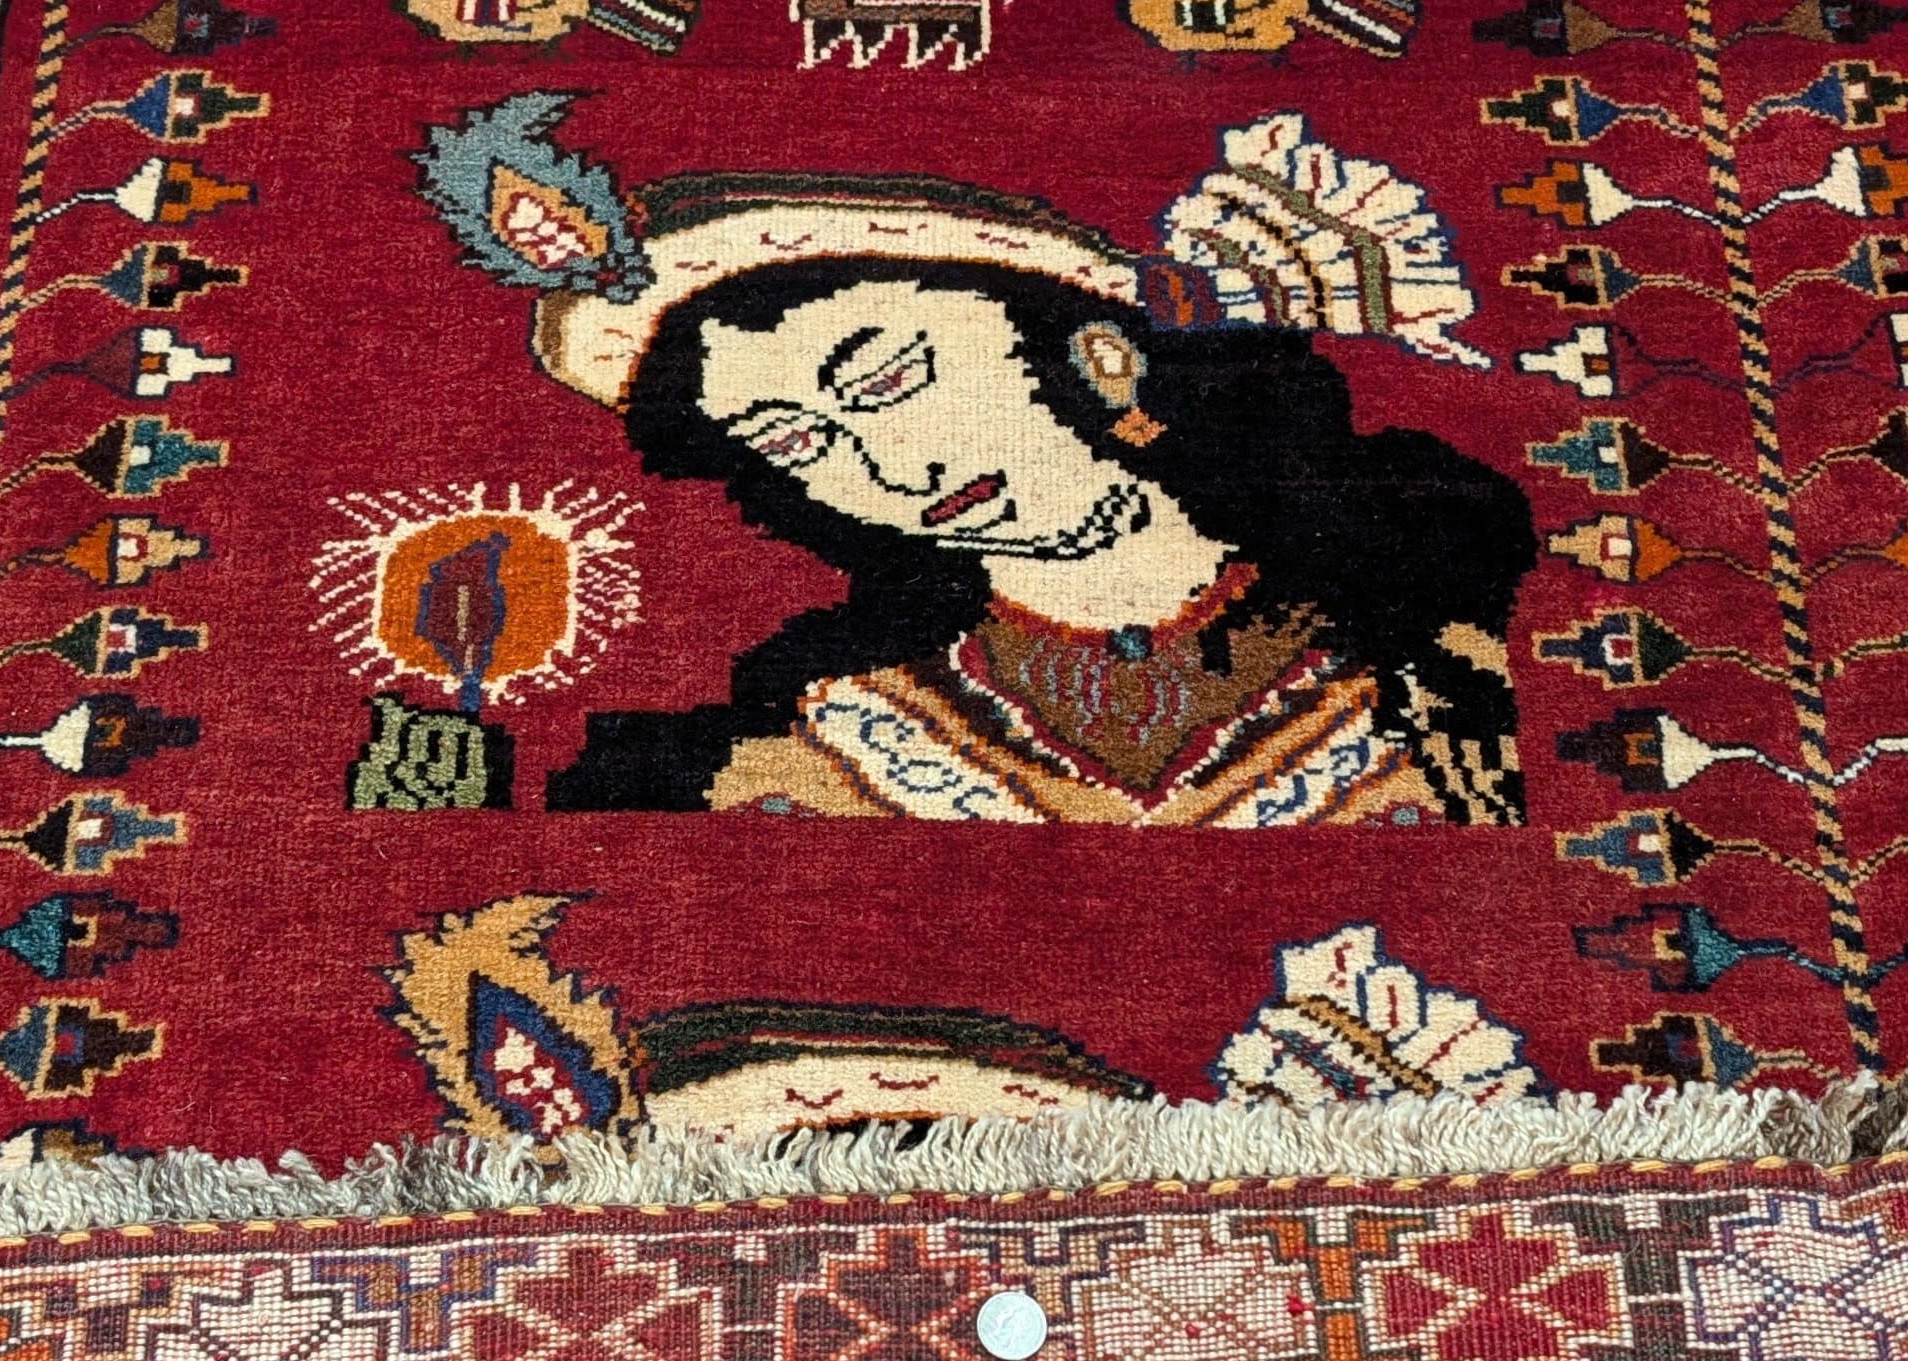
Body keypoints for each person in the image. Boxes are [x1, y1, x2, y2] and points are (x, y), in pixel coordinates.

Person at [407, 95, 1531, 828]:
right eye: (797, 442)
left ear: (1096, 353)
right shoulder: (828, 743)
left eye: (885, 379)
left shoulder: (1452, 667)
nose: (889, 469)